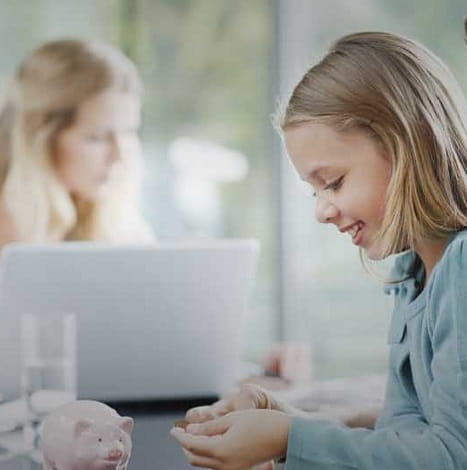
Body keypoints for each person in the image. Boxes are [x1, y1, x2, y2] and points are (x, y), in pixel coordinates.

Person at [170, 30, 467, 469]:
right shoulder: (413, 275)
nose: (322, 212)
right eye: (314, 192)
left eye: (333, 182)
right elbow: (404, 437)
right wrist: (284, 420)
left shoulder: (460, 269)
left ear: (407, 143)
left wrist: (291, 439)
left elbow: (451, 456)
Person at [0, 39, 153, 248]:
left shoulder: (115, 224)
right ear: (42, 137)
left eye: (128, 133)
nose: (119, 156)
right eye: (97, 137)